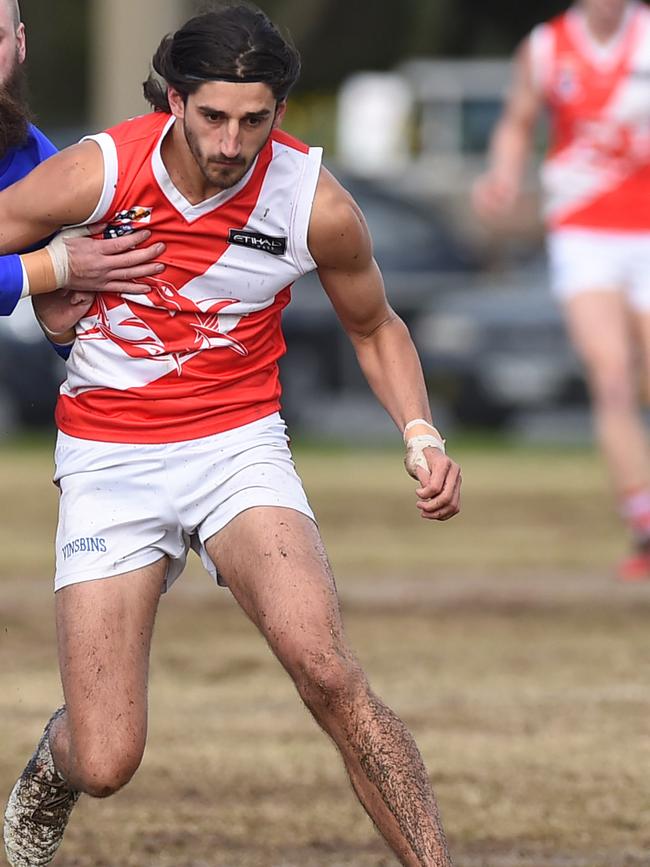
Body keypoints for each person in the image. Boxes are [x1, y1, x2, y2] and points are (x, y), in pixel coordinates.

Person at [1, 5, 461, 867]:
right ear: (175, 100)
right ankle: (48, 771)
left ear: (278, 113)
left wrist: (421, 431)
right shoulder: (103, 168)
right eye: (212, 116)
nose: (229, 141)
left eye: (254, 120)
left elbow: (375, 326)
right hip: (109, 455)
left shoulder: (312, 200)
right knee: (106, 759)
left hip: (237, 445)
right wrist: (53, 269)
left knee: (327, 670)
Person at [473, 0, 650, 582]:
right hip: (584, 233)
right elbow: (519, 121)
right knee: (613, 375)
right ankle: (644, 524)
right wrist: (502, 176)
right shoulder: (546, 47)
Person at [0, 0, 166, 342]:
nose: (229, 143)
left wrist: (59, 328)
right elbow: (60, 266)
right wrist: (54, 267)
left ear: (20, 44)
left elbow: (85, 346)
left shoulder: (43, 168)